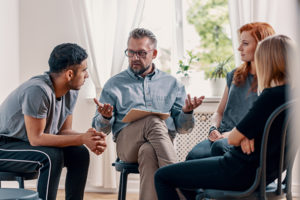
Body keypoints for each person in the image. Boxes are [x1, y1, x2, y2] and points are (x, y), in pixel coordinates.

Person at [154, 34, 292, 200]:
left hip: (239, 170)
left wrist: (242, 135)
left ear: (269, 62)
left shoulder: (270, 96)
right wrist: (248, 135)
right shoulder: (292, 97)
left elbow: (233, 139)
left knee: (162, 176)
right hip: (266, 173)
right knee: (191, 178)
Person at [92, 28, 204, 200]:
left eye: (141, 53)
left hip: (161, 144)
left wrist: (187, 112)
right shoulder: (114, 84)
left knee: (148, 151)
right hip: (127, 145)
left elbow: (183, 129)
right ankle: (182, 188)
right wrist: (105, 117)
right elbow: (100, 129)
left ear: (154, 53)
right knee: (152, 120)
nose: (135, 58)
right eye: (130, 52)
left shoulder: (172, 84)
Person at [0, 43, 107, 200]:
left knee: (79, 153)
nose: (87, 75)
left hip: (26, 144)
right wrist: (82, 138)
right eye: (84, 70)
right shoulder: (37, 90)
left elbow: (64, 131)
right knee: (51, 156)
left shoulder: (71, 91)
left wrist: (89, 137)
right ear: (70, 74)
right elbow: (36, 139)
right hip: (5, 146)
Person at [186, 22, 275, 160]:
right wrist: (213, 129)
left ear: (261, 45)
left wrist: (235, 135)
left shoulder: (273, 81)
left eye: (245, 43)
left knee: (219, 148)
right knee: (193, 157)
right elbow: (219, 112)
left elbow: (267, 122)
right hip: (221, 135)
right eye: (240, 43)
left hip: (245, 138)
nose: (239, 48)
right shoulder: (234, 75)